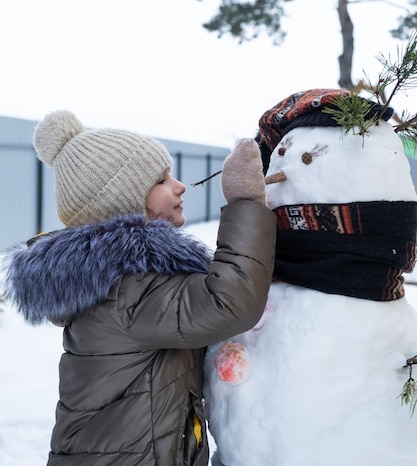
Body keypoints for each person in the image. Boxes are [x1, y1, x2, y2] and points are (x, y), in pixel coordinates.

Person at [2, 109, 276, 466]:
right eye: (161, 181)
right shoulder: (128, 291)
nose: (178, 185)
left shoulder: (118, 280)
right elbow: (228, 303)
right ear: (124, 201)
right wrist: (245, 206)